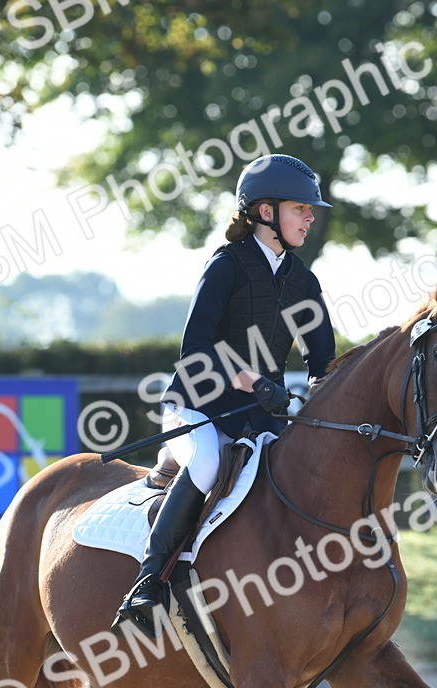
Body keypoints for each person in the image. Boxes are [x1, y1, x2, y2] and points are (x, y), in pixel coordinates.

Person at [113, 154, 337, 635]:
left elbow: (322, 362)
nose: (310, 217)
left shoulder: (302, 280)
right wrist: (253, 381)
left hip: (261, 415)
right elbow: (196, 348)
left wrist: (326, 397)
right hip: (196, 406)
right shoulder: (227, 266)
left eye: (310, 209)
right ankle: (148, 582)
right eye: (301, 208)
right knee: (208, 464)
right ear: (264, 212)